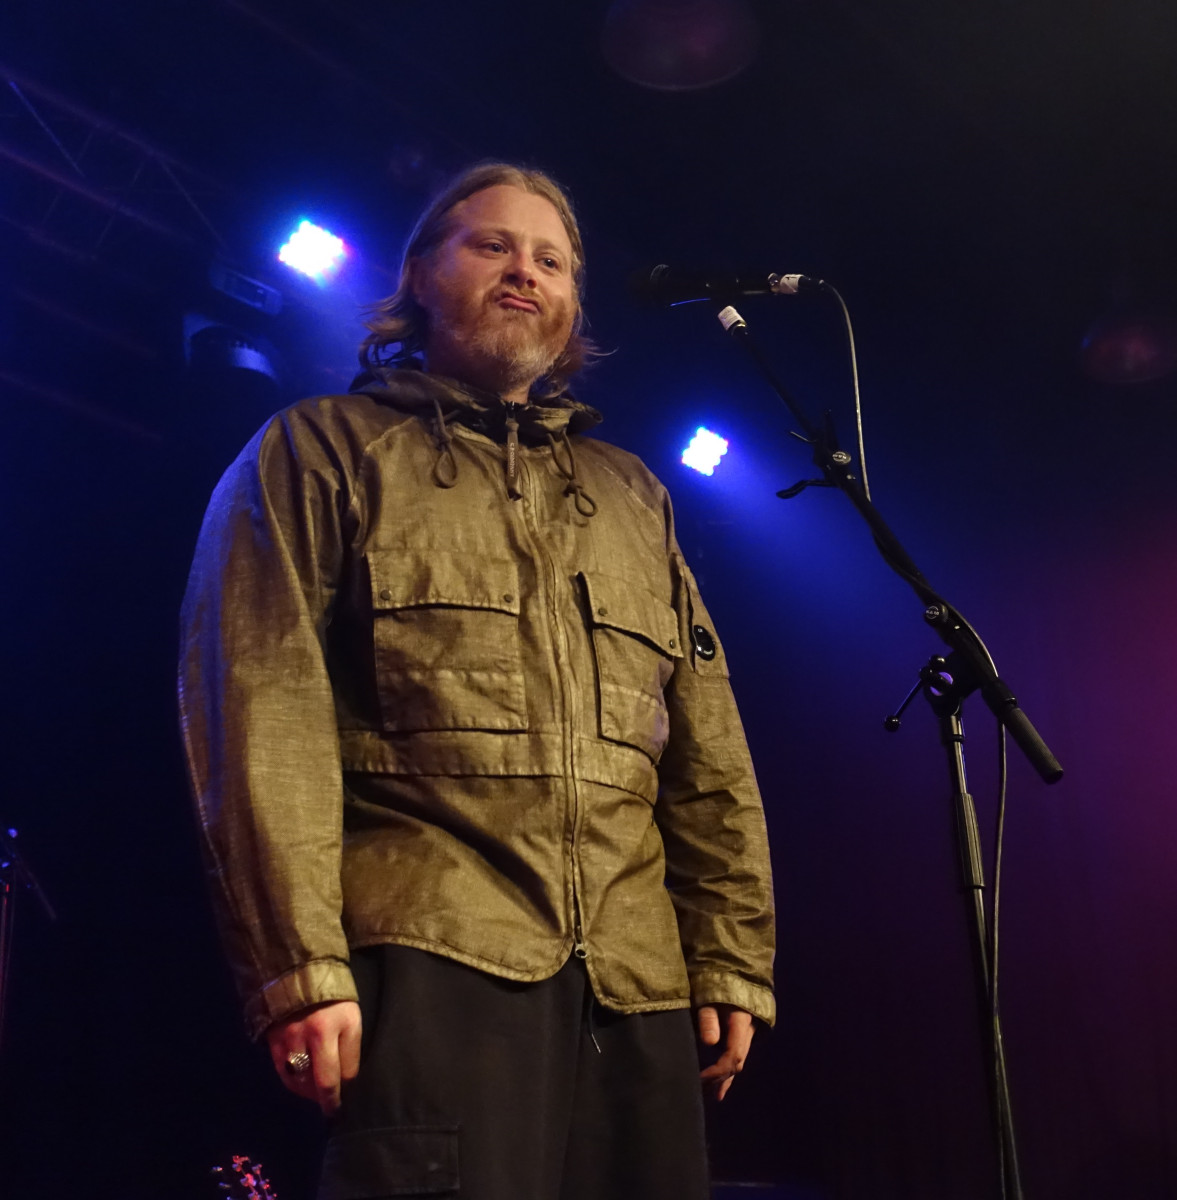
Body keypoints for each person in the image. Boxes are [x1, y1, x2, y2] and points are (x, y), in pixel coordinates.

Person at [179, 162, 775, 1200]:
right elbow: (258, 710)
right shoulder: (321, 451)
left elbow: (705, 742)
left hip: (639, 984)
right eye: (492, 245)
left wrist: (729, 950)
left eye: (551, 260)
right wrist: (298, 967)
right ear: (420, 274)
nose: (524, 272)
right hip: (429, 961)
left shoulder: (631, 495)